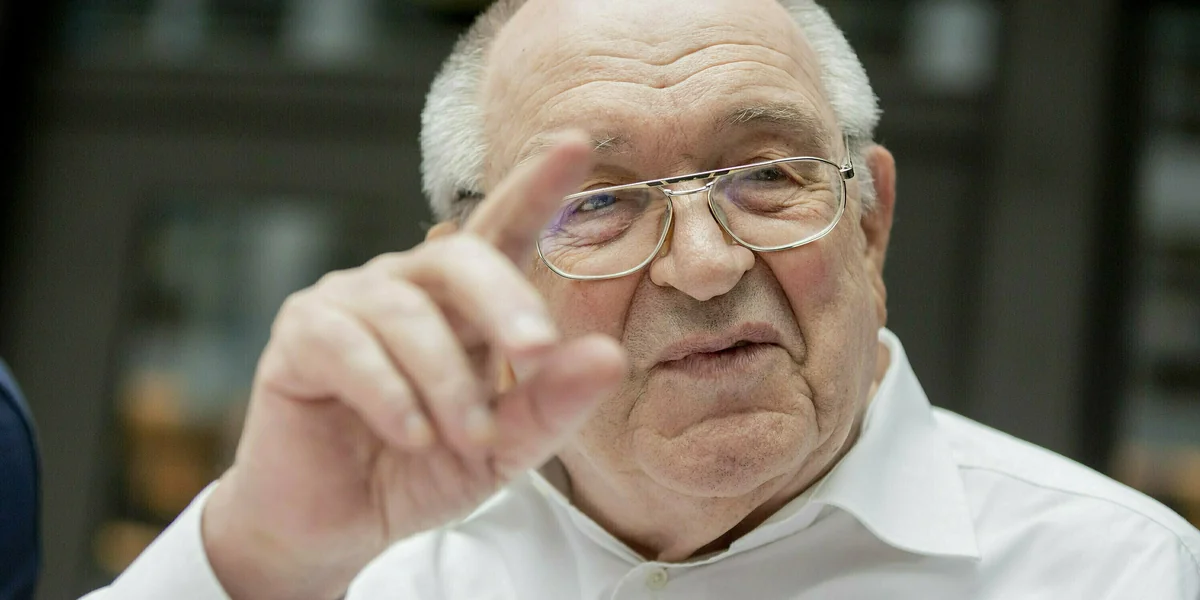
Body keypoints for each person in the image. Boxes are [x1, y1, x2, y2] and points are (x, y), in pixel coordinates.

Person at [84, 0, 1200, 598]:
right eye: (599, 202)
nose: (704, 264)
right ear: (478, 273)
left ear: (870, 221)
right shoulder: (368, 567)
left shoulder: (1115, 576)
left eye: (767, 174)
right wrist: (261, 557)